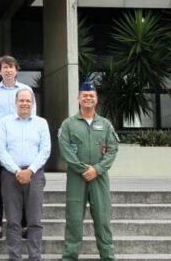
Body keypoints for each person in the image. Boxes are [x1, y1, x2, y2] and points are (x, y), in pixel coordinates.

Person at [58, 81, 119, 261]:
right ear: (78, 98)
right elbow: (65, 149)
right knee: (74, 221)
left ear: (96, 99)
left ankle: (108, 257)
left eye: (91, 95)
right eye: (84, 95)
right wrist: (83, 169)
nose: (88, 98)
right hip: (76, 178)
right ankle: (69, 257)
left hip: (99, 178)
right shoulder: (69, 124)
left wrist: (97, 169)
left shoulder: (105, 124)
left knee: (103, 221)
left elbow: (113, 148)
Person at [0, 88, 51, 260]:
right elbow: (0, 150)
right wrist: (17, 171)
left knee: (35, 221)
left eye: (28, 101)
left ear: (33, 103)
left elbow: (45, 150)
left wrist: (30, 170)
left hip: (34, 175)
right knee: (13, 222)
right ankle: (15, 257)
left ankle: (35, 257)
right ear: (16, 103)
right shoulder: (5, 123)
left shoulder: (41, 123)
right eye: (22, 100)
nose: (25, 103)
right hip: (10, 175)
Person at [0, 55, 34, 241]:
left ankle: (24, 224)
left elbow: (31, 117)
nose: (8, 70)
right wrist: (3, 132)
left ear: (17, 70)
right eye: (4, 67)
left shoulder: (26, 90)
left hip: (20, 145)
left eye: (11, 67)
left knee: (22, 186)